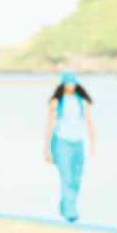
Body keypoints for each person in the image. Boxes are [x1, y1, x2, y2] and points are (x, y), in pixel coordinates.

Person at [44, 71, 95, 222]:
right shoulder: (56, 101)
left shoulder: (82, 101)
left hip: (78, 143)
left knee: (76, 178)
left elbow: (89, 122)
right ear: (63, 84)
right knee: (66, 177)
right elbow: (49, 125)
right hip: (61, 143)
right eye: (68, 83)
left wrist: (93, 143)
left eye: (72, 83)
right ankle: (70, 212)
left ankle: (66, 206)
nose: (70, 86)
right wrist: (47, 149)